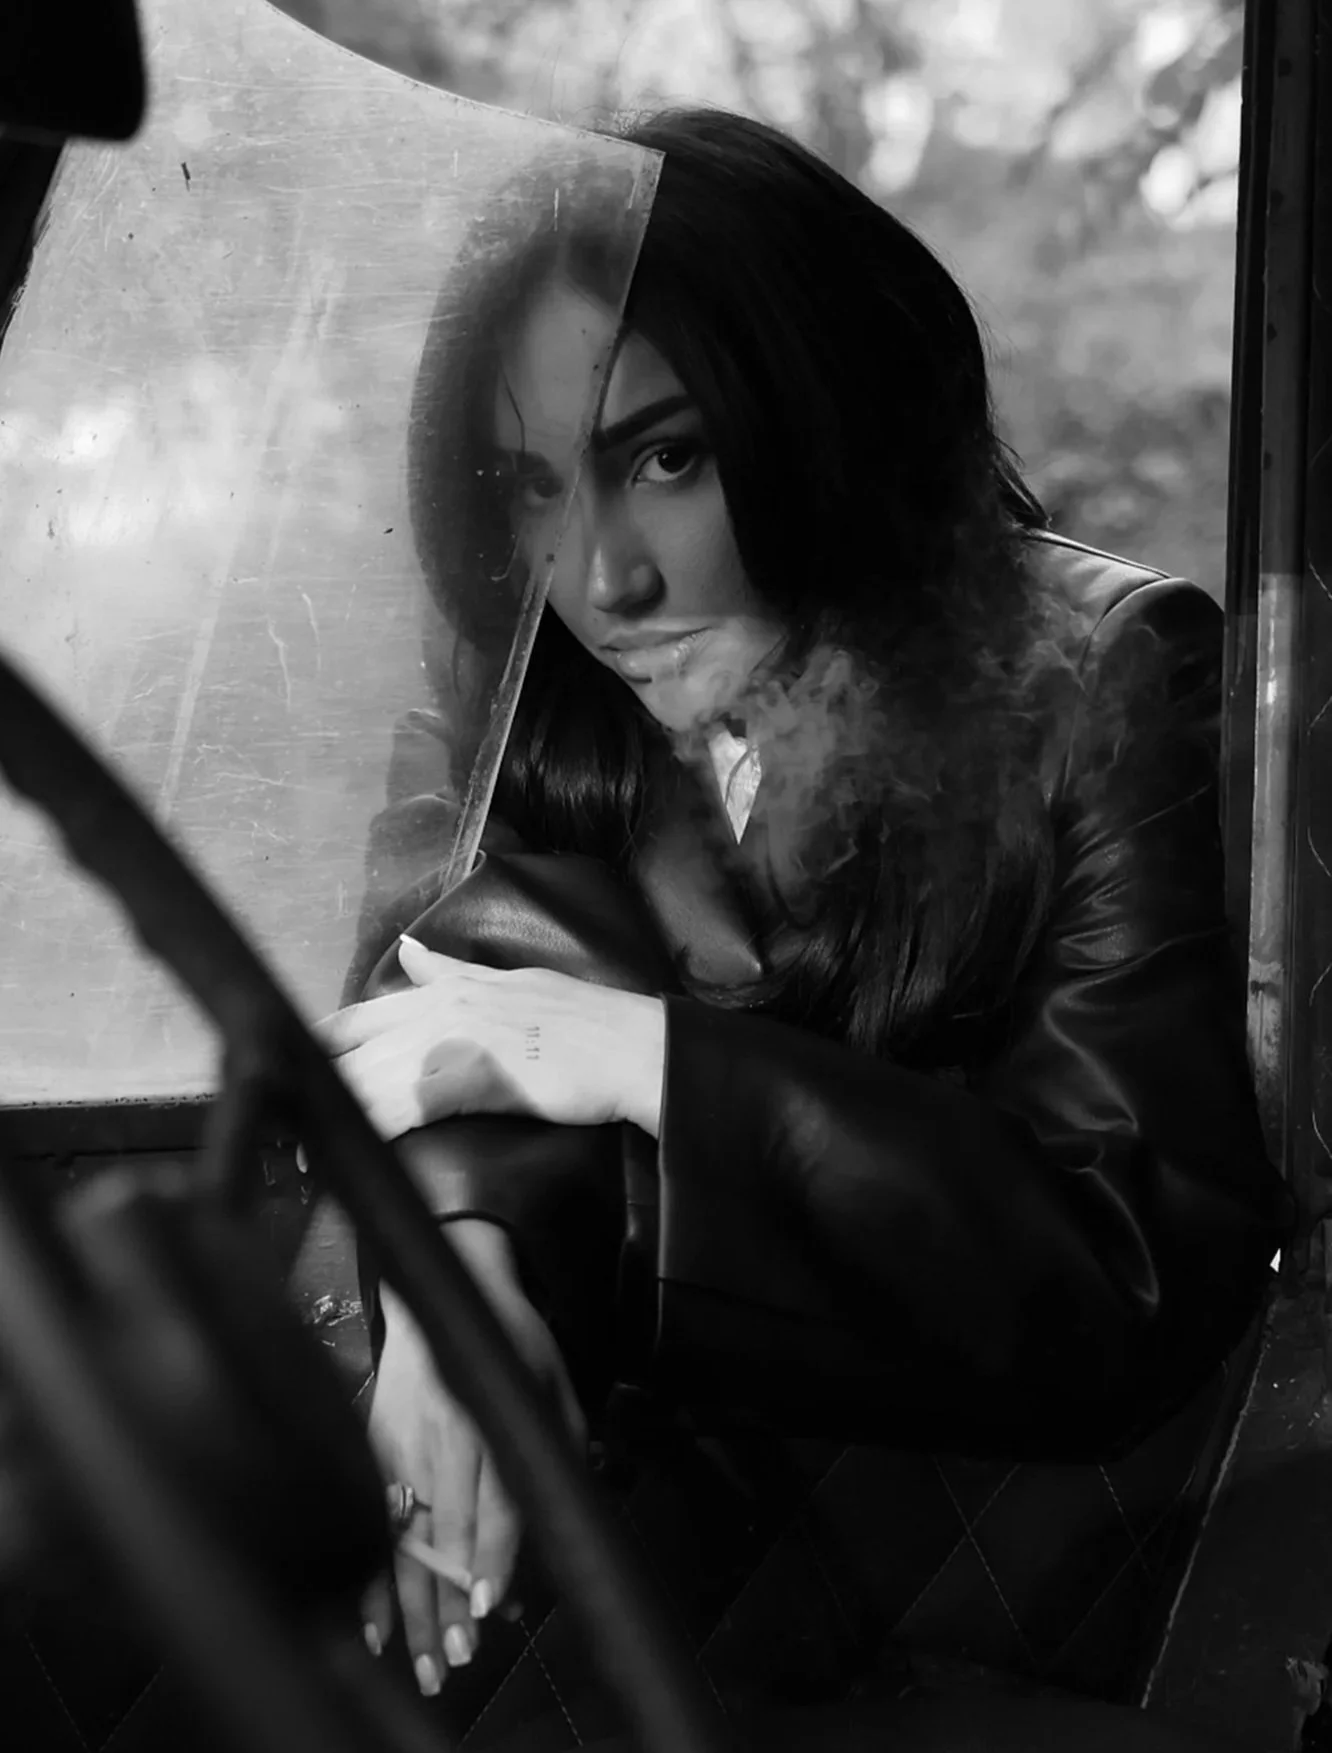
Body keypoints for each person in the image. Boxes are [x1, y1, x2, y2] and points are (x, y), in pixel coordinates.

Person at [315, 107, 1294, 1743]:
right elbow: (424, 1030)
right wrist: (456, 1277)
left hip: (1009, 1618)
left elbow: (1125, 1269)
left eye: (665, 456)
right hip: (628, 1608)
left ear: (821, 408)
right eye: (537, 483)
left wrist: (653, 1064)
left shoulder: (1103, 670)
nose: (600, 576)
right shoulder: (521, 711)